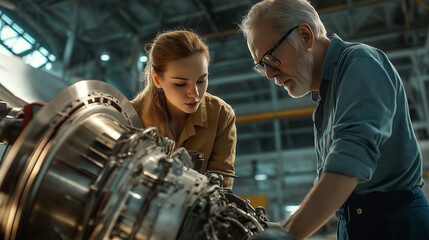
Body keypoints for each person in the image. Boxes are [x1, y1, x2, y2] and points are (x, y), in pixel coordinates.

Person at [240, 0, 429, 239]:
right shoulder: (326, 98)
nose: (269, 74)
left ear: (305, 35)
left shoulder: (361, 63)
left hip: (394, 226)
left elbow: (350, 160)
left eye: (270, 58)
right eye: (261, 65)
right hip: (358, 224)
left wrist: (288, 234)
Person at [131, 30, 237, 189]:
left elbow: (222, 189)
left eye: (202, 80)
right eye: (180, 84)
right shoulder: (130, 116)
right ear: (157, 79)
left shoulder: (221, 114)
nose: (194, 93)